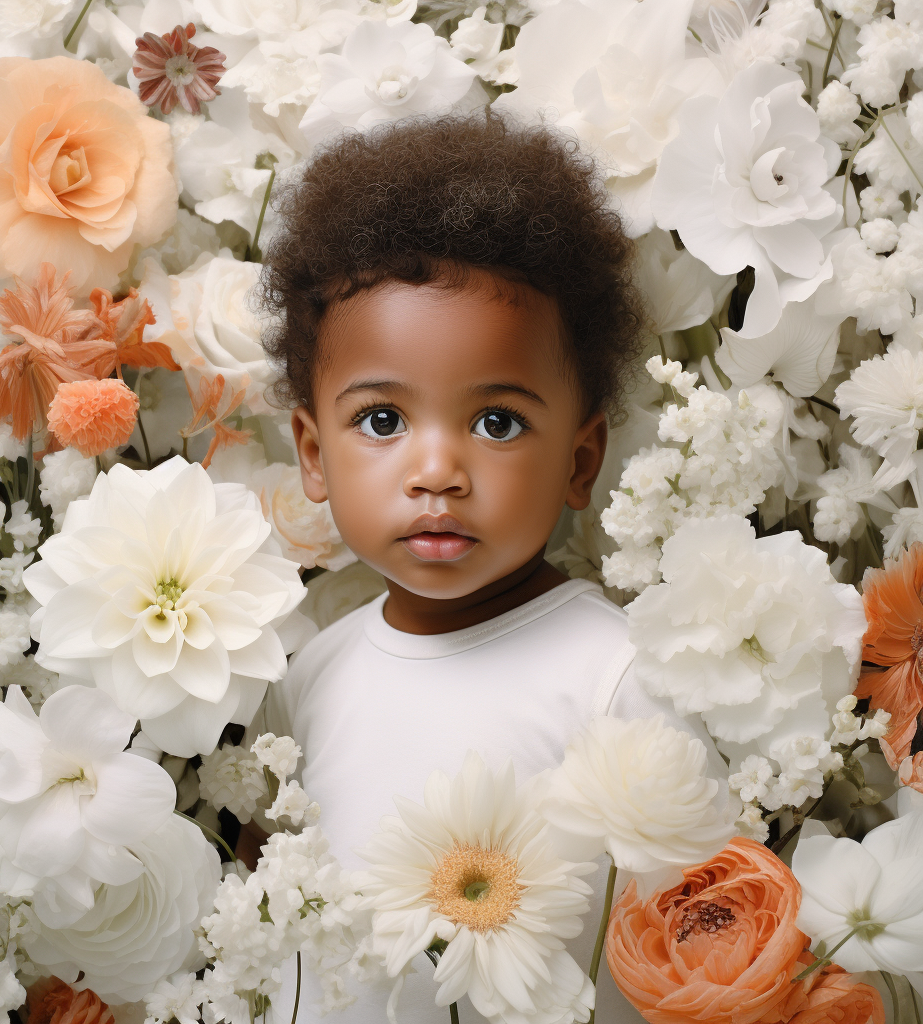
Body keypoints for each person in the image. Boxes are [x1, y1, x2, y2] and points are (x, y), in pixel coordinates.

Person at [247, 108, 728, 1022]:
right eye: (383, 420)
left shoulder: (618, 679)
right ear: (313, 452)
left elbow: (680, 960)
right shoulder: (308, 676)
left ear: (581, 460)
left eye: (496, 421)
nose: (436, 471)